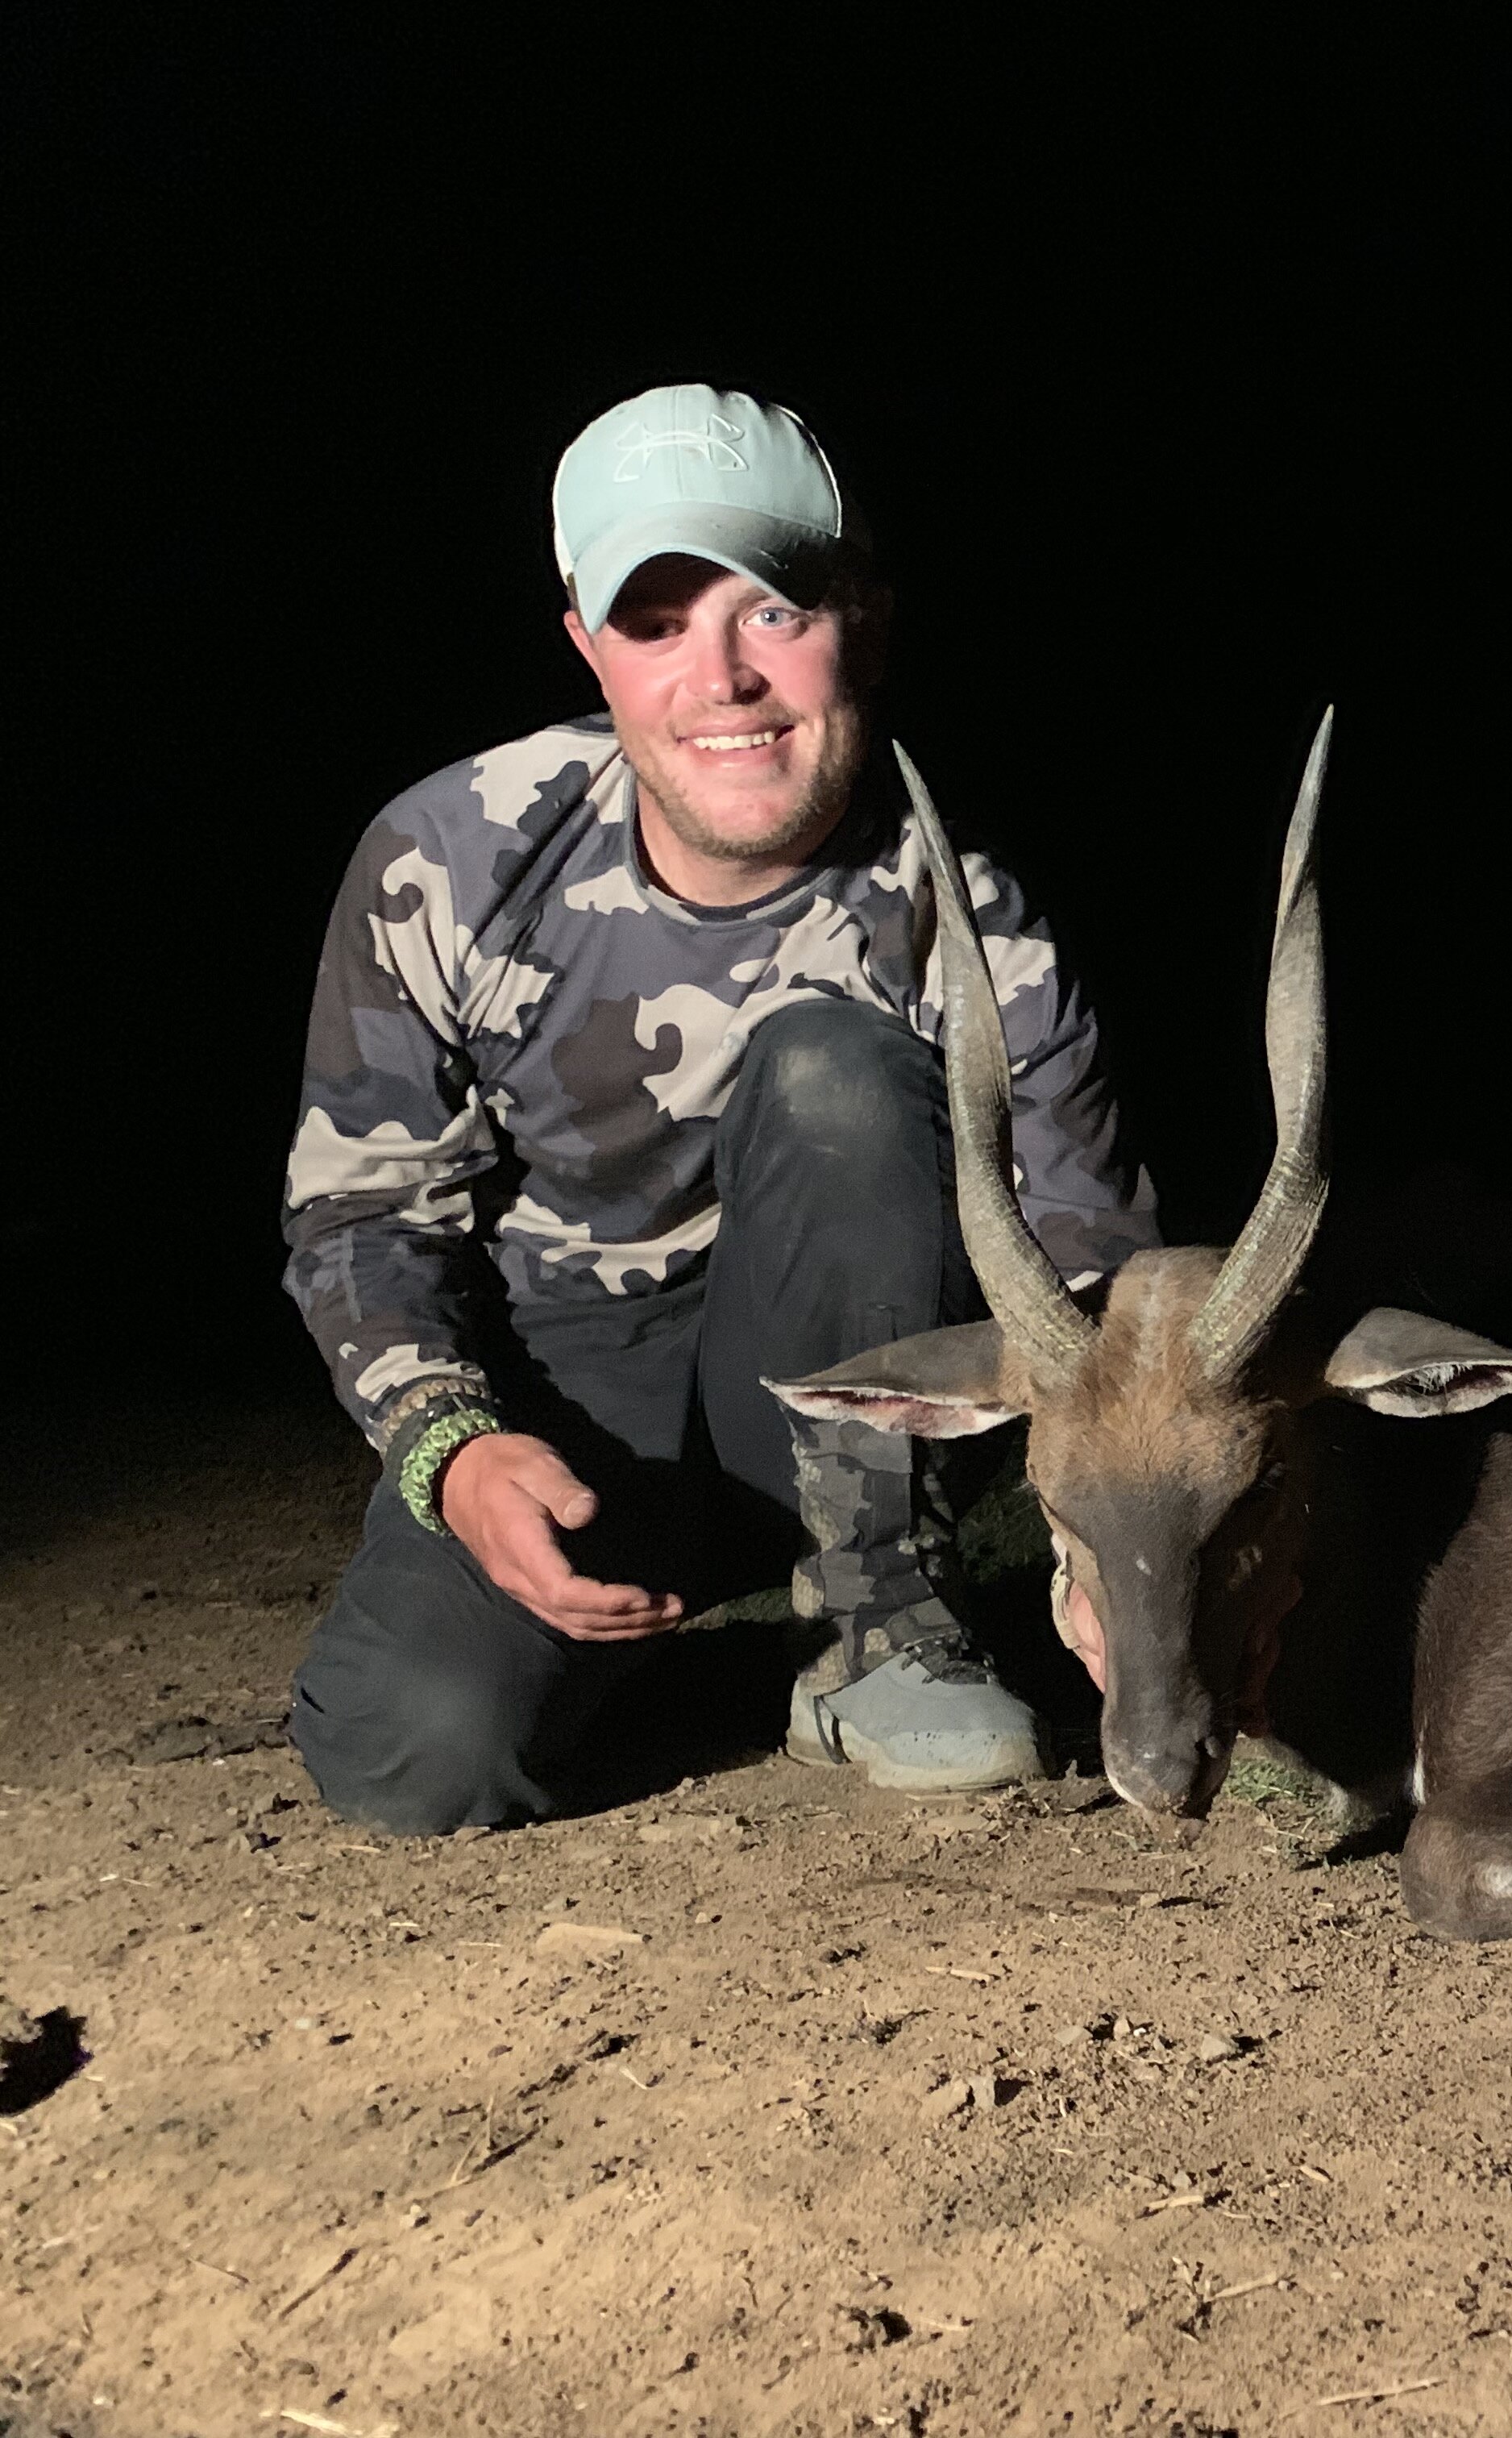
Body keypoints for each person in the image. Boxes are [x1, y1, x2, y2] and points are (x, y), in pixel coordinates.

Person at [282, 384, 1157, 1833]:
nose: (723, 678)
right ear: (587, 647)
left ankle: (871, 1610)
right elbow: (363, 1208)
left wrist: (1116, 1559)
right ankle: (649, 1662)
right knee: (417, 1755)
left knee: (837, 1067)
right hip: (570, 1386)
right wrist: (453, 1442)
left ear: (862, 615)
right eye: (658, 620)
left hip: (850, 1377)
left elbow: (1097, 1305)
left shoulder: (973, 918)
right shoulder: (445, 852)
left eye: (772, 608)